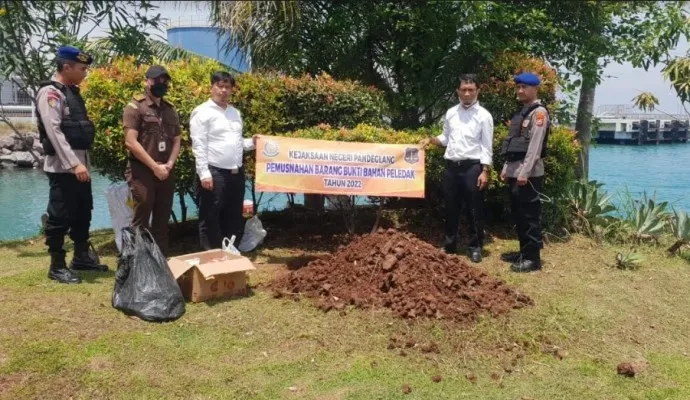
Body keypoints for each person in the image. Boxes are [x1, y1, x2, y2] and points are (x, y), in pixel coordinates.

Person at [36, 45, 108, 284]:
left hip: (80, 165)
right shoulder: (51, 93)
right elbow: (54, 132)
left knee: (82, 211)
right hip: (64, 167)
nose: (85, 72)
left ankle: (81, 258)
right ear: (66, 67)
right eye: (82, 68)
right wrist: (74, 164)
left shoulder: (72, 92)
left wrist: (82, 164)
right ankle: (56, 266)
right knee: (59, 216)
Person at [421, 74, 494, 263]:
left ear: (477, 91)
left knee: (474, 209)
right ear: (458, 92)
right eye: (464, 90)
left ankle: (475, 246)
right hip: (451, 168)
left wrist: (485, 170)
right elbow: (445, 137)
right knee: (450, 208)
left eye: (471, 90)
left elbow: (487, 146)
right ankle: (450, 244)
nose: (467, 93)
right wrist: (432, 140)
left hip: (472, 168)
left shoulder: (484, 116)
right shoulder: (451, 112)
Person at [190, 71, 257, 250]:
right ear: (212, 87)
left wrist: (253, 142)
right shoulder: (202, 112)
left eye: (228, 87)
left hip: (236, 173)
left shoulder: (235, 113)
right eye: (220, 86)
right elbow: (198, 144)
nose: (224, 90)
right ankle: (211, 256)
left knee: (234, 215)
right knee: (210, 216)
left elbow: (237, 142)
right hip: (214, 172)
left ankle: (229, 253)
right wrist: (204, 173)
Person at [123, 65, 181, 256]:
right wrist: (154, 167)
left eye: (165, 81)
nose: (161, 84)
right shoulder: (135, 107)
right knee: (141, 217)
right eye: (156, 80)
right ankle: (135, 261)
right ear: (147, 81)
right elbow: (131, 142)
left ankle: (161, 262)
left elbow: (177, 140)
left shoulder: (170, 109)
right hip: (143, 171)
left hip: (166, 170)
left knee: (162, 220)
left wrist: (169, 165)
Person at [499, 72, 551, 273]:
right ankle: (524, 252)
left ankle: (532, 259)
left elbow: (535, 148)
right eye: (518, 87)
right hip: (515, 172)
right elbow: (514, 146)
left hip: (528, 176)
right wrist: (506, 169)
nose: (520, 91)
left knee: (530, 217)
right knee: (519, 215)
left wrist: (525, 173)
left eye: (524, 87)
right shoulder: (523, 112)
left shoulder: (539, 114)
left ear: (535, 89)